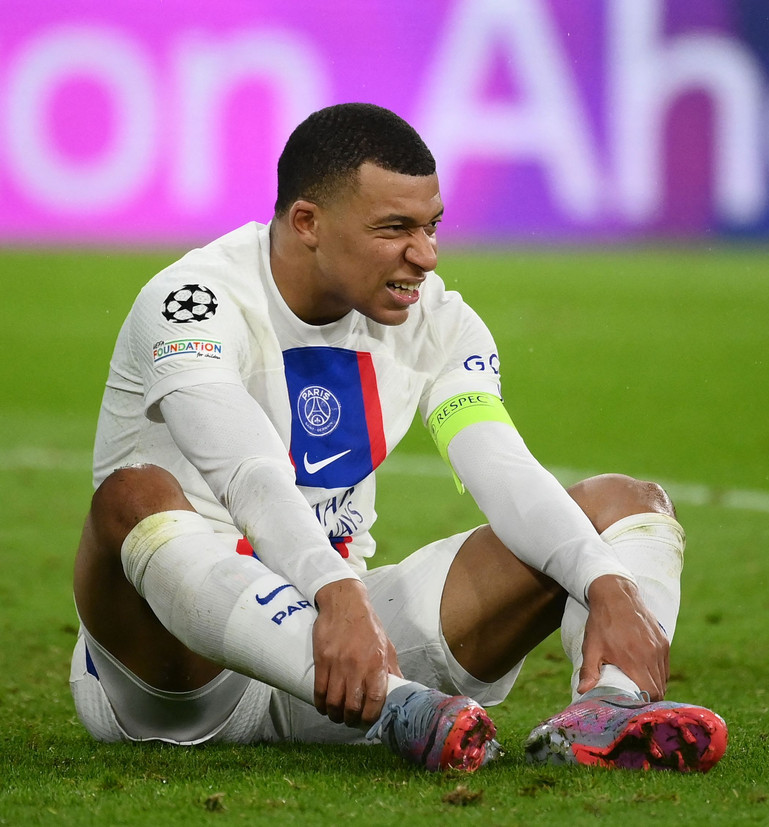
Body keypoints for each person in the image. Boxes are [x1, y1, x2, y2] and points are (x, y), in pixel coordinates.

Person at [69, 102, 727, 773]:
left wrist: (605, 580)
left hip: (349, 664)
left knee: (624, 505)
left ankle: (606, 713)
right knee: (134, 495)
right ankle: (398, 705)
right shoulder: (193, 301)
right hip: (182, 674)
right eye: (395, 229)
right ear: (307, 223)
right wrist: (334, 591)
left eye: (432, 225)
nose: (426, 254)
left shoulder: (437, 319)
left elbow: (496, 463)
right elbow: (248, 471)